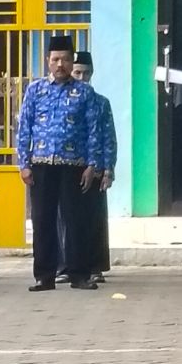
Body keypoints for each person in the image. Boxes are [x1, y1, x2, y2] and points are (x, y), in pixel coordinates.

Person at [15, 36, 100, 291]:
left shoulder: (85, 92)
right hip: (41, 164)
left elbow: (93, 130)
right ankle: (44, 275)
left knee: (76, 220)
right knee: (42, 220)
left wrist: (93, 163)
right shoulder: (35, 90)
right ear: (47, 61)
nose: (60, 64)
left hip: (74, 164)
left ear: (72, 60)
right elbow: (24, 128)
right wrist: (24, 163)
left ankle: (78, 274)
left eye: (64, 59)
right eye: (55, 59)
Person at [72, 50, 116, 284]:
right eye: (77, 72)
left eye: (86, 73)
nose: (82, 78)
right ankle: (66, 265)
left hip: (95, 168)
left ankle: (94, 266)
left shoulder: (100, 102)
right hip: (69, 168)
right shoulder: (61, 100)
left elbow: (108, 136)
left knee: (93, 219)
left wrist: (108, 168)